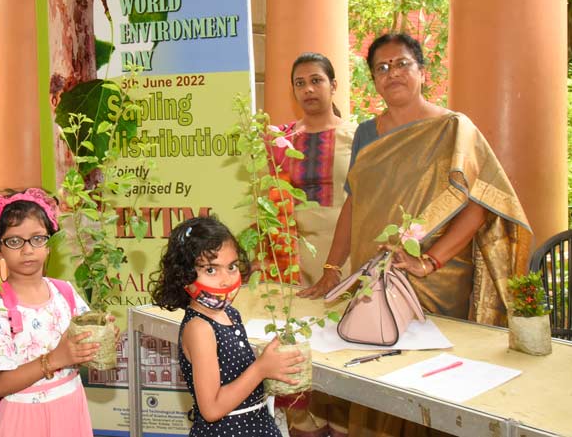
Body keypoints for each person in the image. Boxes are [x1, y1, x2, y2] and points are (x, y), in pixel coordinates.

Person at [299, 33, 532, 436]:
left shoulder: (454, 130)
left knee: (431, 389)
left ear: (422, 72)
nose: (392, 74)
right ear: (373, 80)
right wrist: (333, 268)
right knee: (377, 384)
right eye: (381, 68)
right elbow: (354, 203)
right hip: (377, 281)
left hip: (438, 285)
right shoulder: (367, 135)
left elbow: (479, 206)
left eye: (402, 64)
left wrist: (430, 261)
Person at [266, 53, 356, 437]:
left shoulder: (359, 137)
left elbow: (368, 201)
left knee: (346, 355)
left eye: (316, 80)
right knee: (300, 362)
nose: (308, 90)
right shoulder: (282, 141)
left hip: (348, 264)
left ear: (333, 86)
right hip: (296, 265)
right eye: (300, 83)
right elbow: (269, 206)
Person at [150, 216, 304, 437]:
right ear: (184, 275)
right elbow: (211, 409)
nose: (225, 280)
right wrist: (261, 368)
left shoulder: (229, 313)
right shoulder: (199, 329)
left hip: (256, 425)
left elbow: (235, 375)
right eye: (211, 270)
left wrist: (271, 364)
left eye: (231, 267)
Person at [0, 188, 101, 437]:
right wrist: (55, 359)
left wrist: (98, 340)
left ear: (48, 244)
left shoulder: (65, 293)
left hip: (70, 408)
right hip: (22, 419)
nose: (27, 250)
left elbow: (82, 350)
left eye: (37, 238)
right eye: (14, 241)